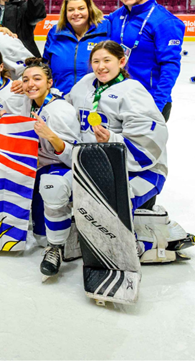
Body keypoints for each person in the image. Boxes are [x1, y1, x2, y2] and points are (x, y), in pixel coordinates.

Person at [65, 41, 188, 263]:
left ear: (121, 62)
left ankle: (147, 243)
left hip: (143, 169)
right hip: (101, 166)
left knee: (114, 199)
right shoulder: (84, 84)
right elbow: (65, 109)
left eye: (107, 60)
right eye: (96, 61)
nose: (101, 67)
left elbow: (149, 143)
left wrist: (113, 140)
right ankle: (101, 239)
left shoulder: (133, 92)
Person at [18, 58, 80, 280]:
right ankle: (65, 232)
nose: (30, 84)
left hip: (61, 171)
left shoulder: (58, 110)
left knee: (51, 185)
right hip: (40, 169)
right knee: (40, 235)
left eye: (37, 79)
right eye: (25, 80)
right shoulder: (30, 103)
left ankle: (55, 248)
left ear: (49, 82)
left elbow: (74, 157)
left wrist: (51, 137)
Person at [103, 0, 184, 119]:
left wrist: (156, 107)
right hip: (118, 98)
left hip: (149, 101)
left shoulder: (165, 22)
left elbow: (170, 67)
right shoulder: (118, 15)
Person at [42, 0, 109, 95]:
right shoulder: (55, 33)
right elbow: (45, 66)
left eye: (81, 8)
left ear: (90, 9)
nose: (76, 13)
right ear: (65, 12)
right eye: (71, 10)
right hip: (61, 98)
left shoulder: (105, 30)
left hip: (95, 100)